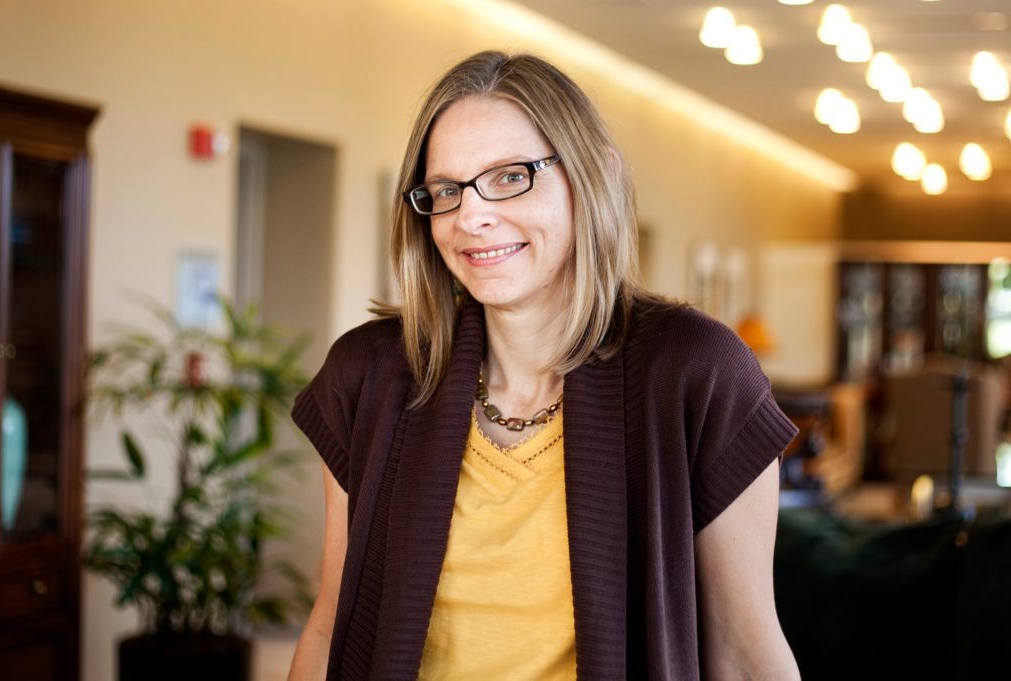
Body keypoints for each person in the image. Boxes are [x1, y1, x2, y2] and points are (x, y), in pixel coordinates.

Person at [287, 51, 800, 680]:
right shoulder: (369, 375)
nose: (470, 216)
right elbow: (330, 627)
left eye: (510, 176)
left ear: (595, 176)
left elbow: (746, 658)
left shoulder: (697, 372)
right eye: (447, 189)